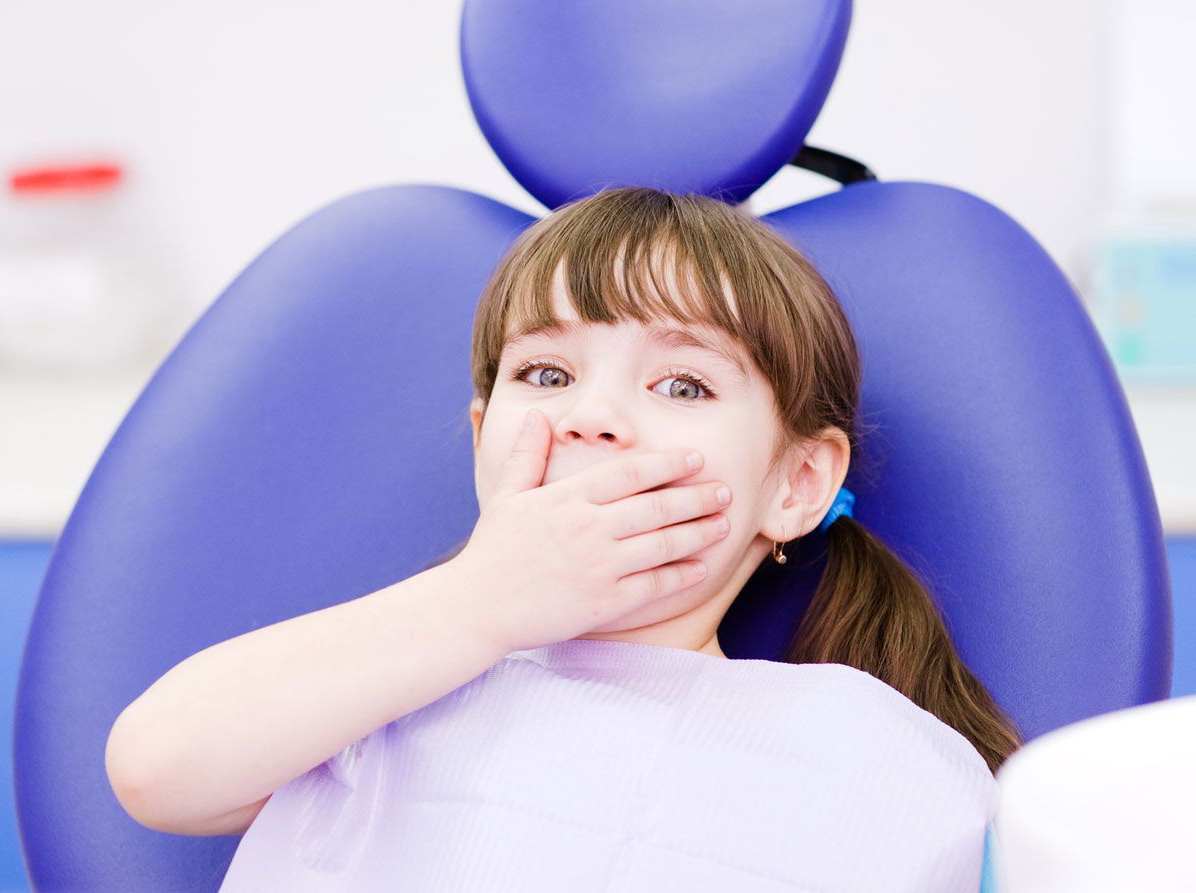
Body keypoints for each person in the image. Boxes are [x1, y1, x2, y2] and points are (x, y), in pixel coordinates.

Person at [107, 186, 1023, 891]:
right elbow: (156, 767)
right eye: (546, 373)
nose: (592, 413)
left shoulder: (873, 753)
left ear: (797, 485)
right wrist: (480, 600)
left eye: (683, 385)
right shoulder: (377, 686)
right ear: (484, 439)